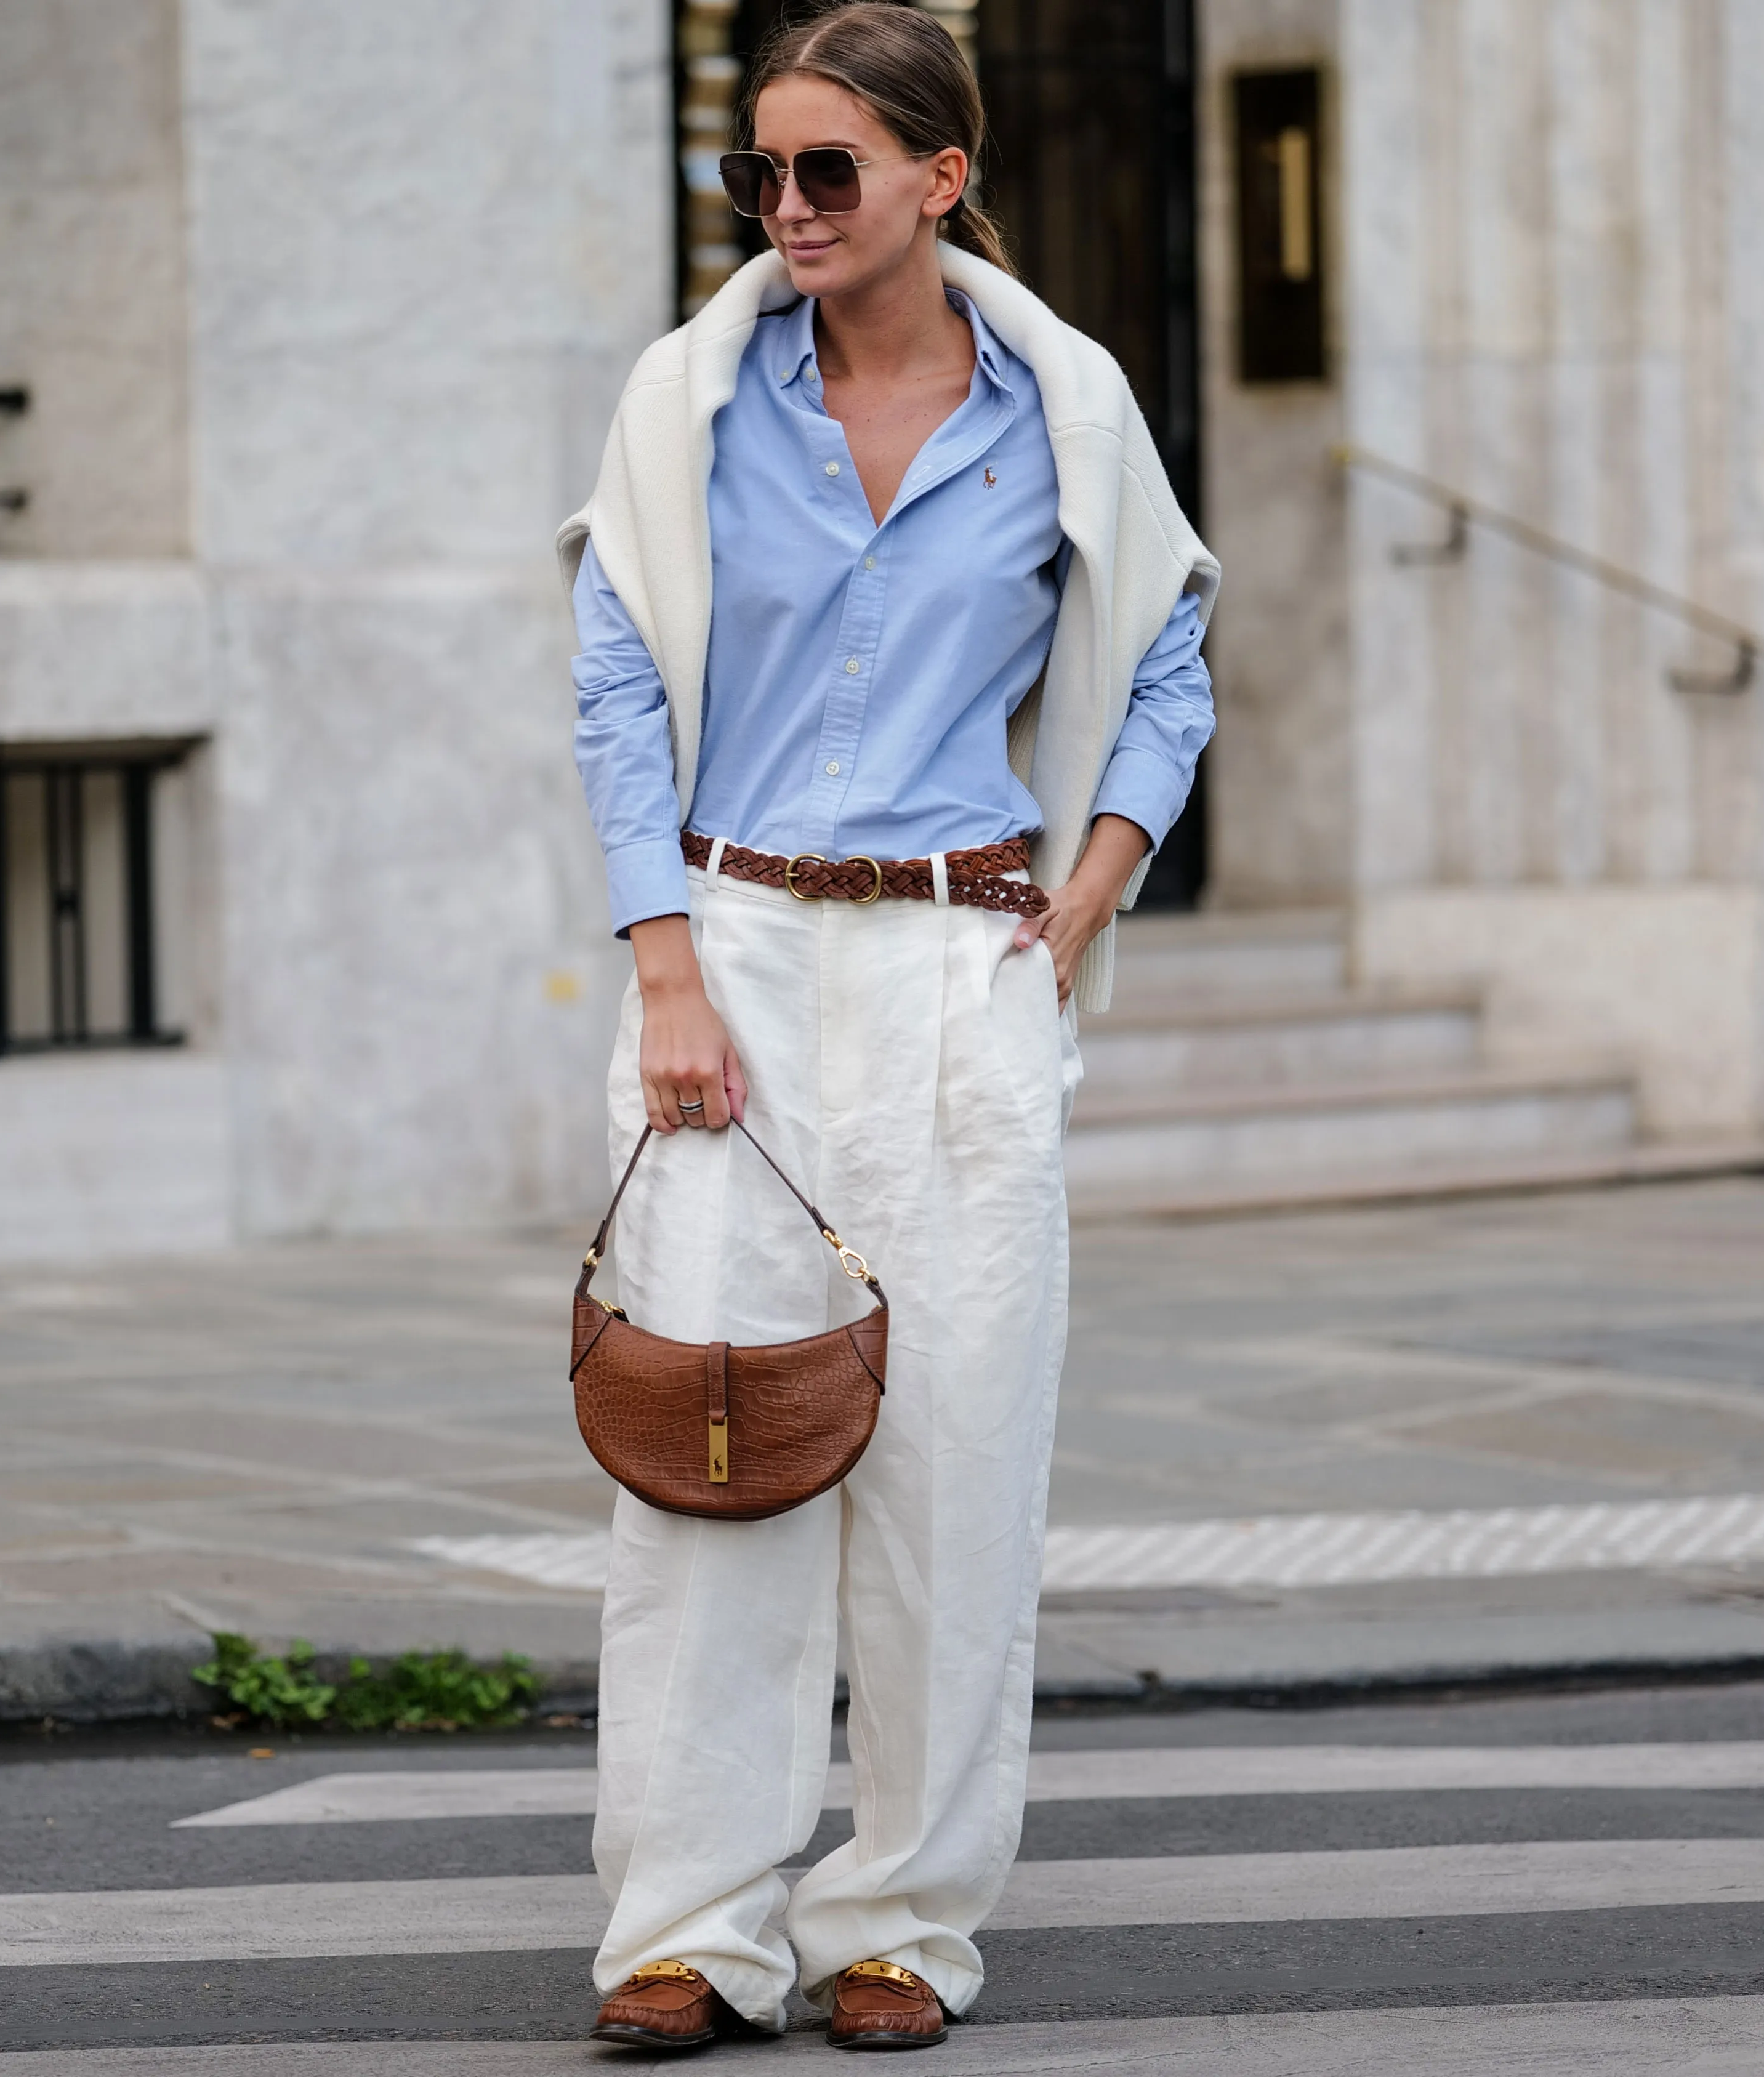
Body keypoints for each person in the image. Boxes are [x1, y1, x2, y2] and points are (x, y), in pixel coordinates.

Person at [555, 0, 1217, 2051]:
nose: (785, 206)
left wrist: (1079, 900)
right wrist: (661, 956)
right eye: (757, 171)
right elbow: (609, 684)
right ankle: (688, 1924)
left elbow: (1174, 661)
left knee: (952, 1467)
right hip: (731, 958)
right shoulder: (692, 398)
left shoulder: (1070, 412)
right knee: (710, 1445)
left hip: (958, 967)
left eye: (826, 168)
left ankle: (903, 1926)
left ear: (943, 174)